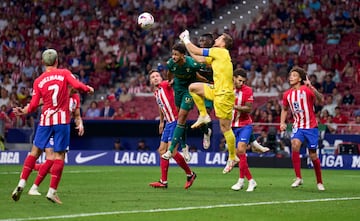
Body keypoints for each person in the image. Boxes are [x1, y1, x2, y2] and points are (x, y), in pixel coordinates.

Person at [11, 49, 94, 204]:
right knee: (59, 156)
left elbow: (34, 104)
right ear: (57, 61)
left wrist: (23, 111)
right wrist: (88, 89)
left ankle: (22, 183)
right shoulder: (64, 73)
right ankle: (51, 191)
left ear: (43, 63)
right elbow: (77, 84)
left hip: (45, 120)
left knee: (34, 152)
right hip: (61, 120)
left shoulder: (39, 80)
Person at [179, 30, 239, 174]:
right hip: (216, 90)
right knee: (193, 88)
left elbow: (197, 50)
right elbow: (198, 58)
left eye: (219, 38)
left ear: (223, 42)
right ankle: (204, 115)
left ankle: (232, 157)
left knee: (225, 128)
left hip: (224, 95)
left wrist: (186, 39)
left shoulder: (221, 52)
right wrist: (186, 47)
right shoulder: (218, 55)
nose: (216, 39)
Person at [28, 87, 85, 196]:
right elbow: (40, 101)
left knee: (57, 163)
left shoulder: (76, 98)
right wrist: (28, 108)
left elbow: (77, 115)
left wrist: (80, 124)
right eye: (75, 88)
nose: (76, 91)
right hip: (51, 127)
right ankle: (36, 187)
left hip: (62, 131)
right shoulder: (58, 92)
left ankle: (35, 173)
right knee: (51, 158)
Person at [148, 70, 196, 189]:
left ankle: (190, 174)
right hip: (168, 123)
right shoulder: (156, 93)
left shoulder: (165, 84)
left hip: (176, 121)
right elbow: (161, 107)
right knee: (162, 150)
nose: (155, 78)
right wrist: (161, 121)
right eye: (152, 77)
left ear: (161, 77)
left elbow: (174, 81)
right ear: (150, 81)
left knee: (172, 151)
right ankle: (163, 181)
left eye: (157, 76)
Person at [280, 66, 325, 191]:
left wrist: (311, 86)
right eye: (290, 75)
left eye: (294, 75)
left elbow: (321, 98)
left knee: (313, 155)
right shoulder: (287, 94)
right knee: (294, 144)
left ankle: (319, 182)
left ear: (300, 79)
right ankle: (298, 177)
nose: (291, 77)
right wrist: (282, 123)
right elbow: (284, 109)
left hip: (311, 127)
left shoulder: (307, 89)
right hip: (298, 126)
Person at [161, 43, 202, 160]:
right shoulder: (170, 63)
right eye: (173, 54)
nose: (173, 57)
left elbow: (199, 75)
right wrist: (170, 80)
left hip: (189, 89)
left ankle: (171, 149)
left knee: (181, 116)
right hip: (178, 89)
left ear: (183, 55)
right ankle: (184, 146)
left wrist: (209, 83)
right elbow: (169, 73)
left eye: (176, 54)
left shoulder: (192, 64)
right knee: (181, 120)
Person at [230, 68, 257, 192]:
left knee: (241, 149)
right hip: (232, 126)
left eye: (243, 81)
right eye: (239, 80)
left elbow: (248, 108)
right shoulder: (228, 89)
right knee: (239, 155)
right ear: (234, 78)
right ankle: (248, 181)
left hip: (245, 124)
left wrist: (234, 106)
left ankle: (244, 181)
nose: (241, 83)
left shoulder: (248, 90)